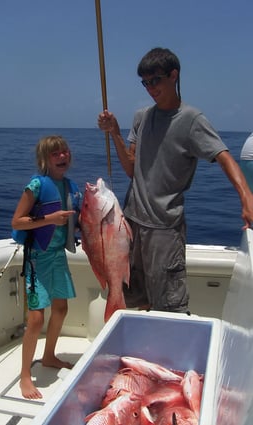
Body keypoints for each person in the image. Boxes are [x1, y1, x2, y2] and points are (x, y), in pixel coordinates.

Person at [98, 47, 253, 314]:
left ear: (174, 75)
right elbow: (131, 170)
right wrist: (114, 133)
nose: (150, 88)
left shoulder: (192, 120)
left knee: (170, 306)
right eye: (145, 82)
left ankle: (168, 351)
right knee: (136, 297)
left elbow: (225, 157)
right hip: (132, 223)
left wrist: (247, 198)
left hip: (164, 230)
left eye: (155, 80)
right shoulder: (141, 118)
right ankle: (144, 348)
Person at [11, 135, 81, 399]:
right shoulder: (37, 185)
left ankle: (49, 356)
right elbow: (17, 222)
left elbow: (79, 221)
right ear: (45, 160)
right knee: (36, 318)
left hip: (58, 257)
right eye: (55, 154)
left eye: (65, 152)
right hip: (36, 259)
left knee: (61, 308)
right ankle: (25, 375)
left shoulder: (72, 187)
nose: (62, 156)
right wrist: (48, 219)